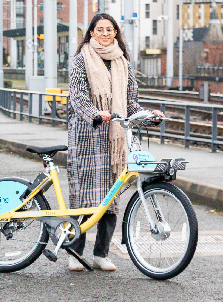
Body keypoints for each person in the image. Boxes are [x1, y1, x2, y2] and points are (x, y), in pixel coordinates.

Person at [67, 13, 163, 272]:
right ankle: (74, 252)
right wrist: (95, 114)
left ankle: (101, 254)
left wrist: (147, 116)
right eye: (100, 29)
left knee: (111, 199)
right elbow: (77, 97)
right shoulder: (81, 60)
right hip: (88, 137)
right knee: (84, 198)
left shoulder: (123, 63)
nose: (105, 33)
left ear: (116, 33)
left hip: (116, 140)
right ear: (91, 33)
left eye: (110, 29)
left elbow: (130, 102)